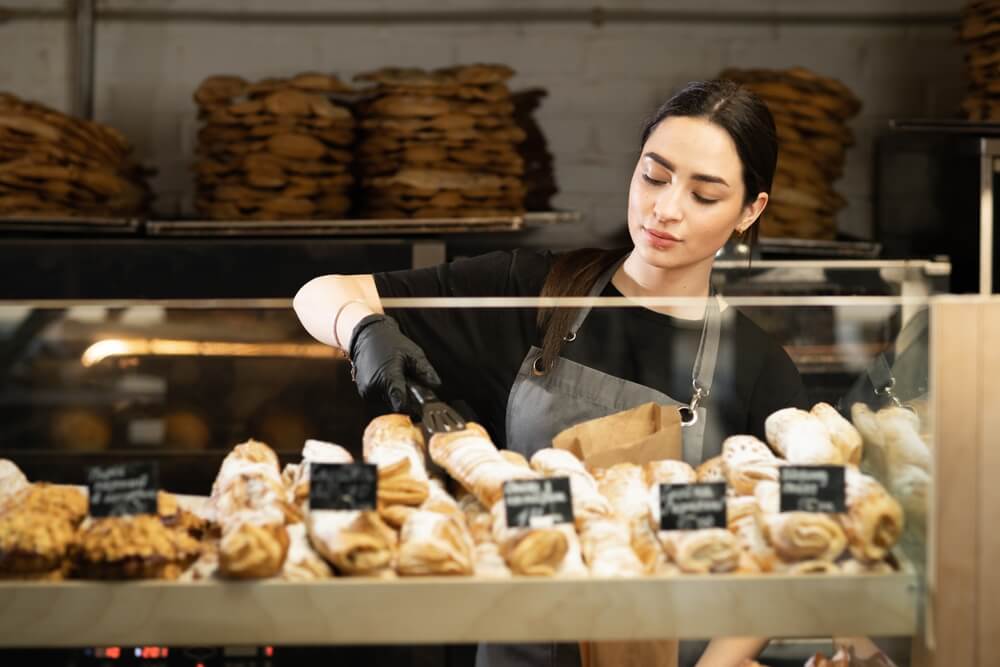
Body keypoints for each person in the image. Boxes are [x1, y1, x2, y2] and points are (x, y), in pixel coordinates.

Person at [294, 79, 809, 667]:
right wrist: (360, 329)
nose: (666, 208)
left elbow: (795, 542)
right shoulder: (535, 291)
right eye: (654, 176)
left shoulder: (759, 365)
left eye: (705, 195)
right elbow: (322, 292)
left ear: (750, 211)